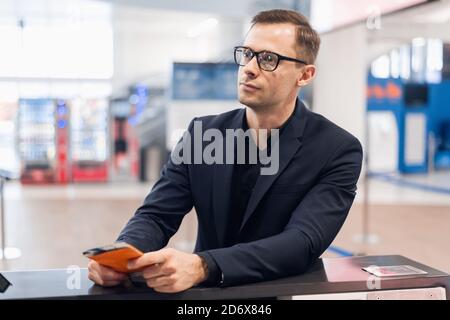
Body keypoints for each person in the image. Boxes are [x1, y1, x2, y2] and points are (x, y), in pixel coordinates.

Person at [88, 9, 363, 293]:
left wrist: (202, 265)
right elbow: (157, 215)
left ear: (305, 75)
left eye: (268, 59)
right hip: (202, 298)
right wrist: (122, 257)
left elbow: (302, 241)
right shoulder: (203, 135)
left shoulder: (336, 150)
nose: (249, 68)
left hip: (270, 293)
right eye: (247, 54)